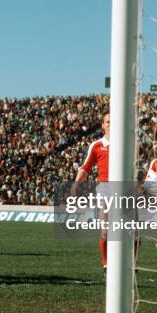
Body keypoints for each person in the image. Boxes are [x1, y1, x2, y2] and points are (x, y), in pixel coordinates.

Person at [71, 109, 111, 270]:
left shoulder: (126, 143)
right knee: (105, 228)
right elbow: (86, 167)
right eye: (108, 122)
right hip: (104, 187)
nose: (111, 124)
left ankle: (132, 263)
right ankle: (106, 263)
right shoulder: (97, 145)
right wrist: (75, 184)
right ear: (103, 125)